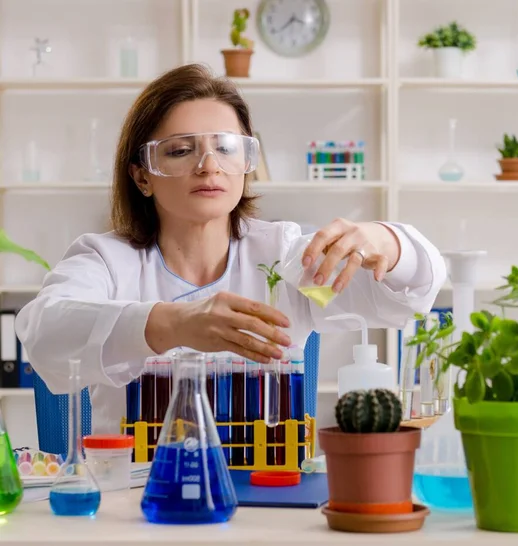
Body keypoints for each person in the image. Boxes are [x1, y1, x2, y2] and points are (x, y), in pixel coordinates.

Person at [15, 63, 446, 434]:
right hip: (138, 496)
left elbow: (413, 293)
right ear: (142, 176)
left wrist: (387, 242)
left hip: (267, 486)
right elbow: (44, 332)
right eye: (181, 150)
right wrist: (173, 324)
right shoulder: (108, 261)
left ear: (246, 162)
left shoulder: (284, 257)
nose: (209, 165)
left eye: (226, 147)